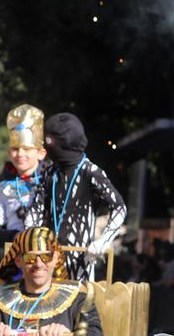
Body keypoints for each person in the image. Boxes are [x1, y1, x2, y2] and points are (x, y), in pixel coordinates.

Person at [20, 113, 127, 280]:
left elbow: (119, 207)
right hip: (46, 264)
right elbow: (36, 209)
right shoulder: (49, 173)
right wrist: (32, 236)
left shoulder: (90, 172)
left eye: (49, 141)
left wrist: (103, 241)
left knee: (78, 303)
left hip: (80, 266)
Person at [0, 104, 47, 238]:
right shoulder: (3, 188)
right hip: (15, 256)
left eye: (27, 148)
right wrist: (15, 237)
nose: (20, 154)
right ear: (8, 152)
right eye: (15, 149)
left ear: (41, 153)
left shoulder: (53, 182)